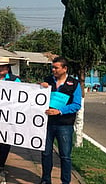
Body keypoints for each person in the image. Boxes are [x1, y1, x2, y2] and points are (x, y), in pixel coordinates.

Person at [40, 56, 82, 184]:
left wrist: (60, 111)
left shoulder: (74, 84)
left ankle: (65, 181)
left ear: (64, 69)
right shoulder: (47, 81)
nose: (53, 70)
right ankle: (46, 180)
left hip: (65, 125)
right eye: (52, 67)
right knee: (46, 153)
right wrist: (40, 88)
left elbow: (76, 104)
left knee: (65, 156)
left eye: (56, 68)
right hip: (47, 124)